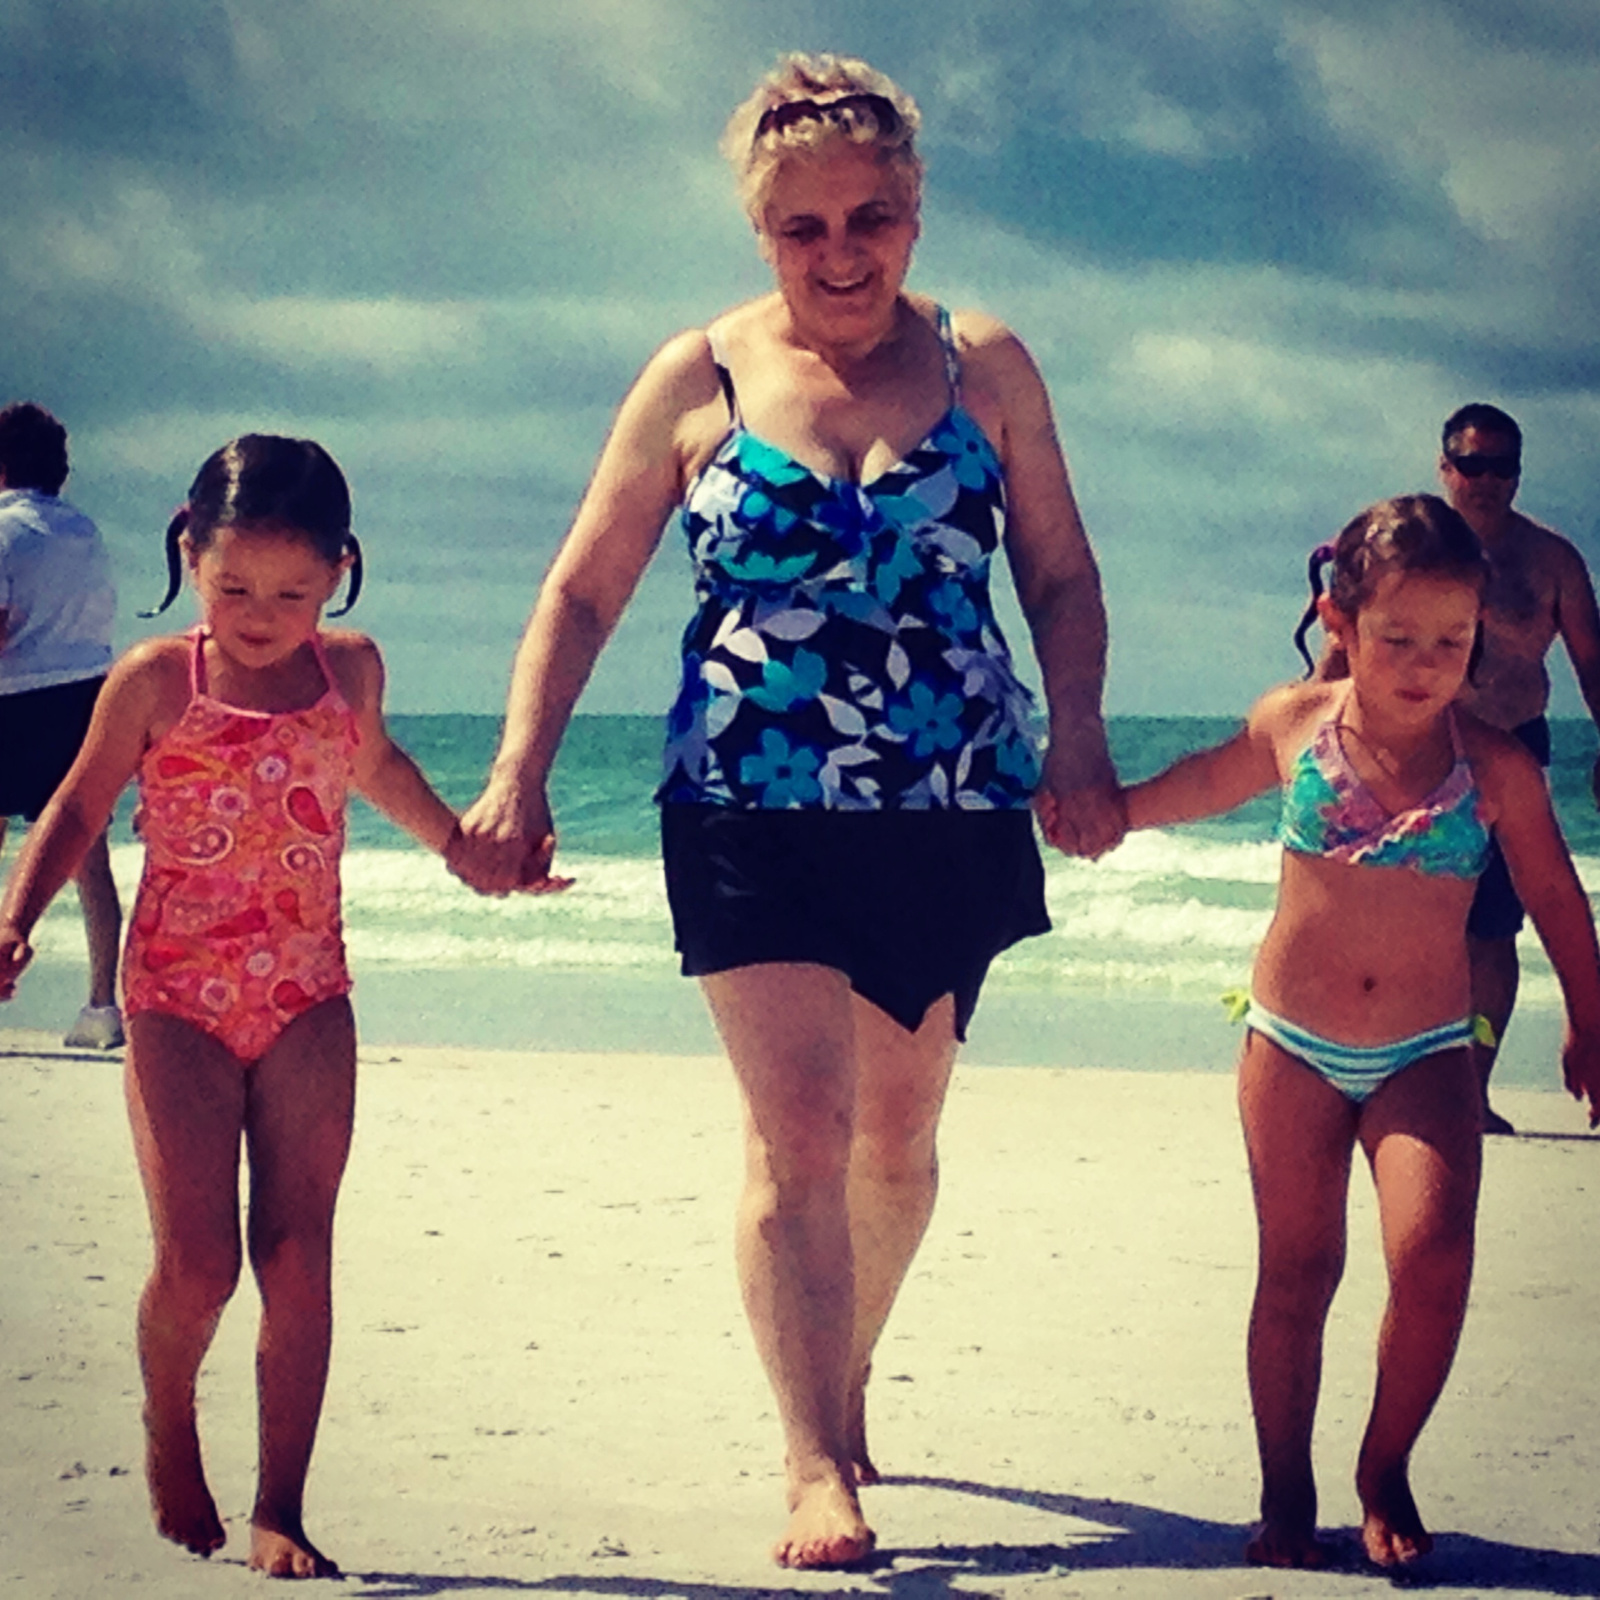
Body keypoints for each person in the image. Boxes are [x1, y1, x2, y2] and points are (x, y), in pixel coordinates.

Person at [448, 53, 1123, 1568]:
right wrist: (518, 767)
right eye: (803, 227)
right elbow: (585, 583)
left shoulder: (988, 365)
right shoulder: (700, 376)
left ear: (915, 208)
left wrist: (1076, 734)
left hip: (951, 804)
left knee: (898, 1140)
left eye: (870, 217)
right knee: (798, 1134)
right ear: (762, 229)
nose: (840, 254)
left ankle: (842, 1357)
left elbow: (1062, 575)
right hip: (746, 799)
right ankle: (814, 1455)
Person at [0, 435, 461, 1577]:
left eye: (294, 592)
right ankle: (169, 1418)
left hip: (308, 993)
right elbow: (75, 806)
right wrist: (16, 917)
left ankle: (284, 1504)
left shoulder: (348, 671)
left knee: (300, 1259)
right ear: (188, 553)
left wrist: (466, 847)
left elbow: (382, 770)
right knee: (200, 1264)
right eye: (235, 586)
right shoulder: (159, 680)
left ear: (340, 573)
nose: (263, 613)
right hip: (176, 1001)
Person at [1123, 495, 1600, 1570]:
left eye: (1453, 640)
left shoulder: (1496, 766)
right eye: (1398, 637)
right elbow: (1201, 783)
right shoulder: (1294, 723)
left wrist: (1589, 1015)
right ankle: (1284, 1490)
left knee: (1433, 1257)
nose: (1426, 662)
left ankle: (1383, 1463)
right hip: (1290, 1043)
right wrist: (1110, 810)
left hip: (1426, 1049)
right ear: (1340, 621)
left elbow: (1557, 898)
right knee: (1296, 1271)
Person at [1320, 404, 1600, 1134]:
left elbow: (1593, 668)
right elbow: (1345, 642)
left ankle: (1467, 1090)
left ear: (1517, 474)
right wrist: (1308, 724)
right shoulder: (1398, 547)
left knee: (1491, 932)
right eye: (1470, 464)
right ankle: (1361, 1071)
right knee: (1389, 915)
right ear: (1446, 467)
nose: (1485, 480)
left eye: (1501, 465)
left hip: (1507, 753)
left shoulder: (1552, 561)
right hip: (1409, 750)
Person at [0, 401, 124, 1047]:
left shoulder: (2, 531)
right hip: (83, 697)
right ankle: (102, 1005)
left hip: (11, 697)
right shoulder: (87, 532)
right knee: (85, 854)